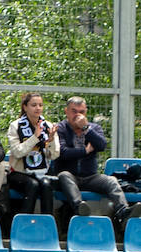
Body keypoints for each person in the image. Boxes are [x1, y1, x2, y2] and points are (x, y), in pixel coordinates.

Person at [51, 96, 130, 226]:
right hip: (69, 176)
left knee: (111, 181)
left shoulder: (94, 128)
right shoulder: (59, 129)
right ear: (66, 111)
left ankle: (123, 211)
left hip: (90, 176)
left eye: (81, 112)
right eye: (74, 111)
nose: (77, 115)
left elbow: (101, 145)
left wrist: (86, 129)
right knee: (64, 175)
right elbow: (62, 153)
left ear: (86, 112)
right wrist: (85, 151)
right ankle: (79, 207)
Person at [4, 92, 59, 215]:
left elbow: (54, 155)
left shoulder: (48, 126)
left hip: (42, 172)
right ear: (25, 107)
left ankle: (47, 224)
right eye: (34, 105)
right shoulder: (15, 126)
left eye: (40, 105)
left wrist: (50, 141)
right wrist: (35, 137)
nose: (38, 108)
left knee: (46, 185)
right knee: (32, 185)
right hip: (19, 173)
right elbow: (18, 152)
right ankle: (24, 223)